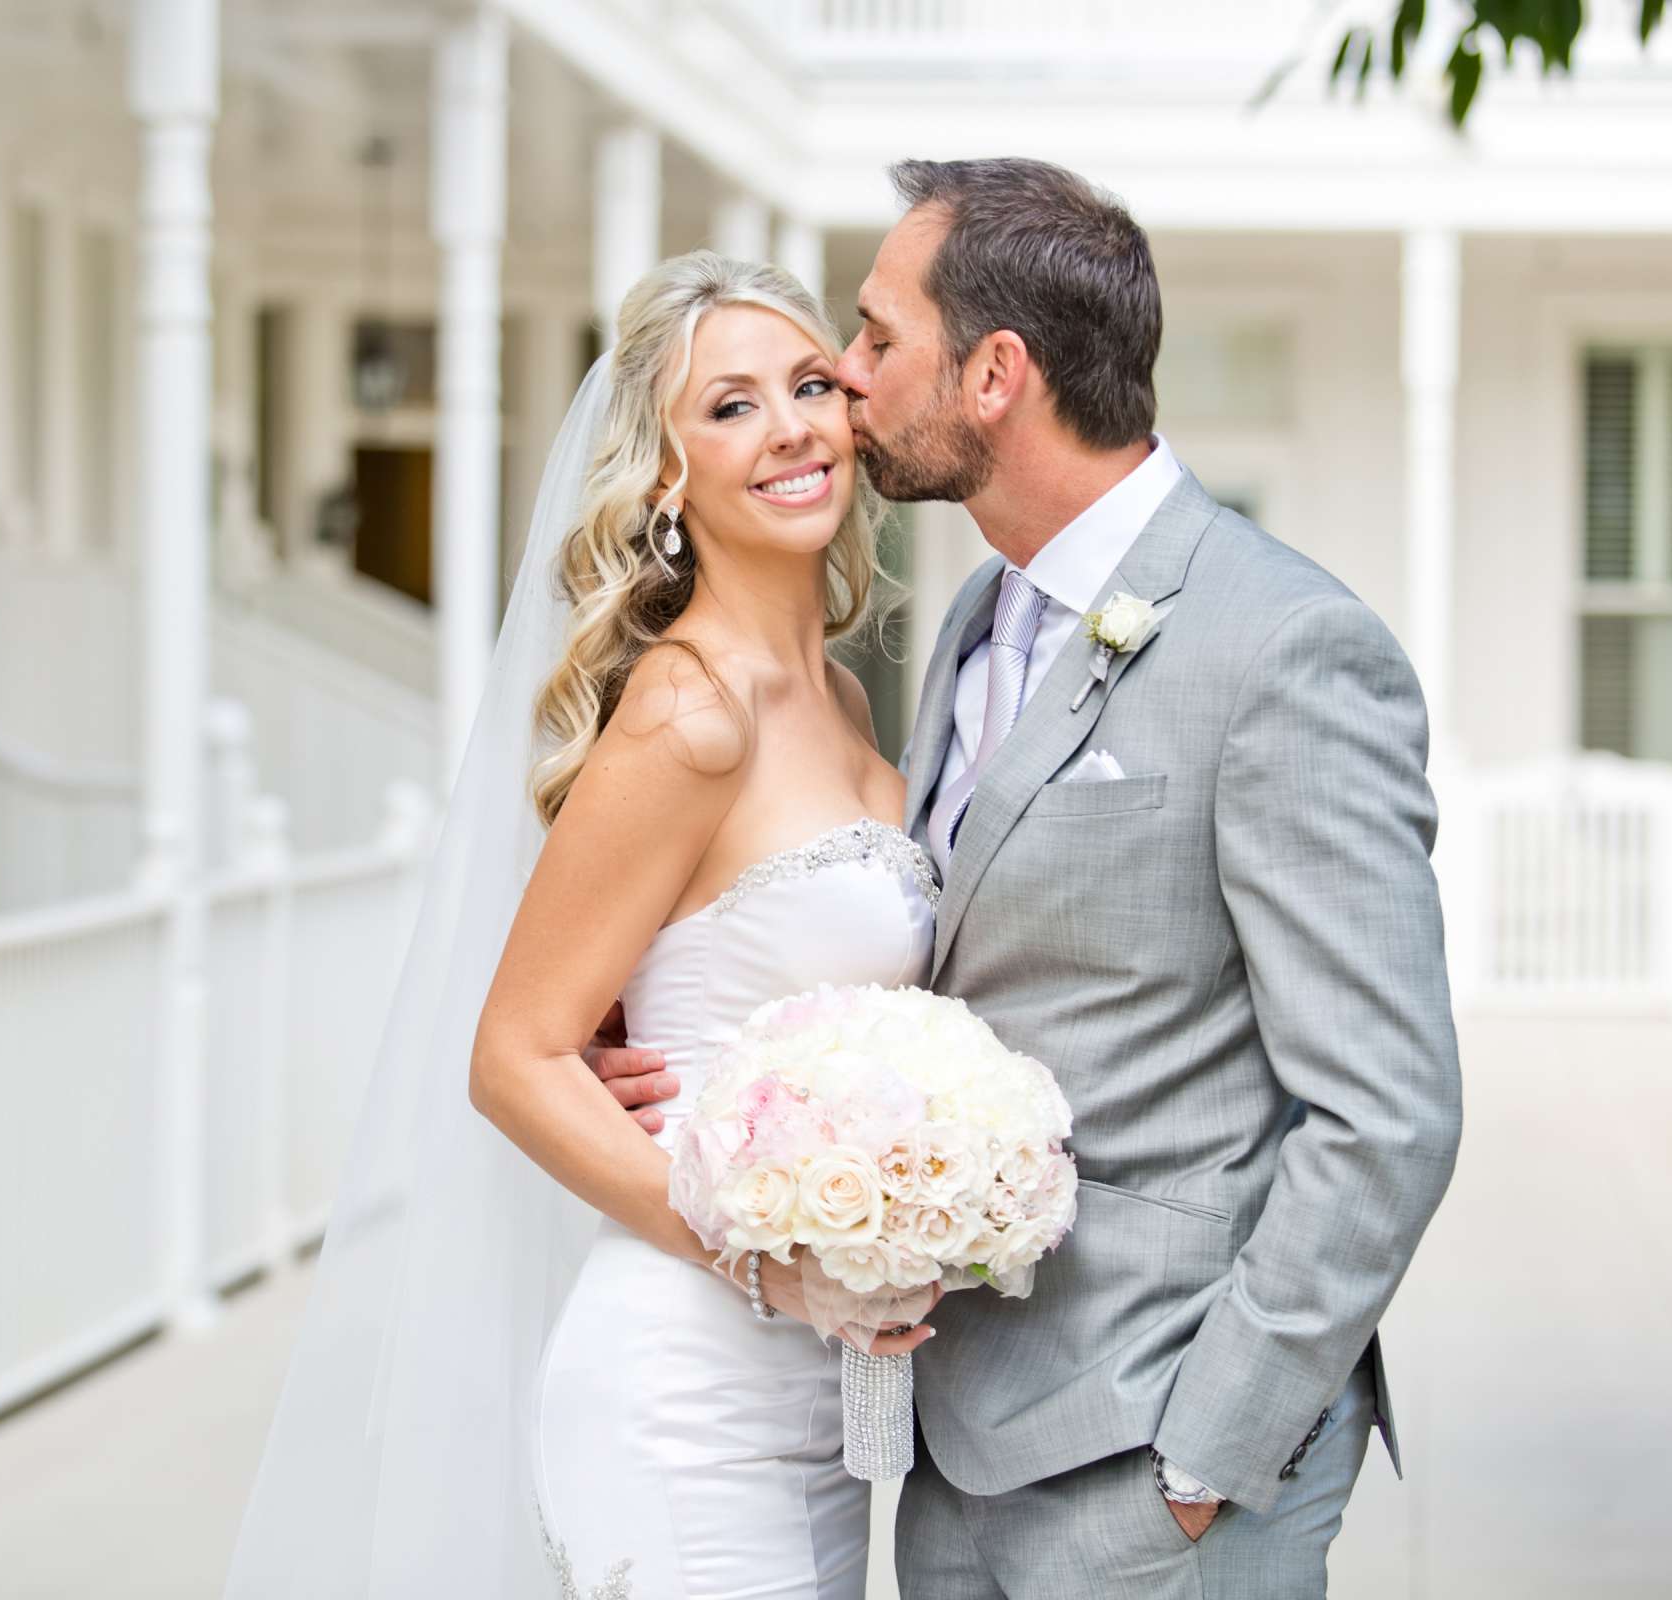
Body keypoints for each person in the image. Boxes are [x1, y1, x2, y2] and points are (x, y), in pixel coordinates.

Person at [591, 157, 1464, 1597]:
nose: (845, 382)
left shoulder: (1286, 648)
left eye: (875, 340)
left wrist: (1206, 1460)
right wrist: (696, 1055)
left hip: (1158, 1461)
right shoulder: (981, 621)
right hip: (956, 1448)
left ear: (993, 375)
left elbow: (1387, 1112)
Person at [221, 251, 938, 1599]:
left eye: (806, 384)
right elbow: (513, 1057)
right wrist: (763, 1264)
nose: (788, 426)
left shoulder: (841, 700)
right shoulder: (687, 711)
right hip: (690, 1390)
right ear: (663, 478)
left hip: (819, 1403)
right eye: (728, 408)